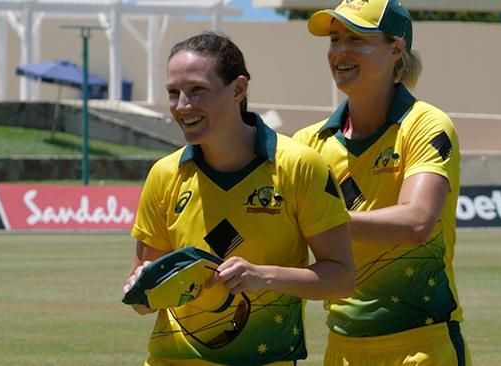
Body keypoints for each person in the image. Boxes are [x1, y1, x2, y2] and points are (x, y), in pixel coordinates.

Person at [123, 32, 355, 366]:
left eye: (197, 89)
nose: (182, 105)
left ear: (238, 89)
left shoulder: (299, 165)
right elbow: (142, 302)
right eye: (174, 93)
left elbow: (342, 277)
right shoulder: (164, 174)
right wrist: (143, 287)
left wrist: (264, 277)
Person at [293, 1, 471, 365]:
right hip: (341, 348)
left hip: (422, 345)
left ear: (396, 49)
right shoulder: (308, 143)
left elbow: (417, 223)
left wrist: (320, 218)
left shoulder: (426, 124)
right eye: (334, 38)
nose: (340, 50)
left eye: (357, 38)